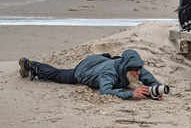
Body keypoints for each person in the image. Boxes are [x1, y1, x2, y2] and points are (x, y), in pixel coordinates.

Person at [18, 49, 165, 100]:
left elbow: (152, 81)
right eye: (135, 71)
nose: (139, 73)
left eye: (140, 69)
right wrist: (132, 94)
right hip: (85, 69)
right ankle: (29, 64)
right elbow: (105, 91)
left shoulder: (135, 67)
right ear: (127, 68)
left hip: (103, 61)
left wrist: (156, 90)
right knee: (57, 75)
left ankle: (30, 65)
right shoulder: (109, 74)